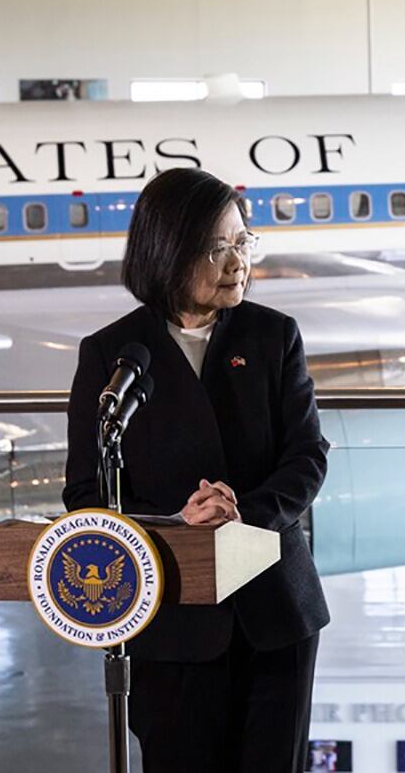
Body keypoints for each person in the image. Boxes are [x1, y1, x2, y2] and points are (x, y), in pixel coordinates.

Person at [62, 167, 330, 773]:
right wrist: (176, 522)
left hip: (275, 610)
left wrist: (245, 513)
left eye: (244, 242)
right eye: (219, 248)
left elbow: (307, 456)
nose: (238, 262)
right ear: (170, 253)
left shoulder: (273, 335)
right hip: (168, 619)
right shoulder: (110, 354)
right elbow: (85, 494)